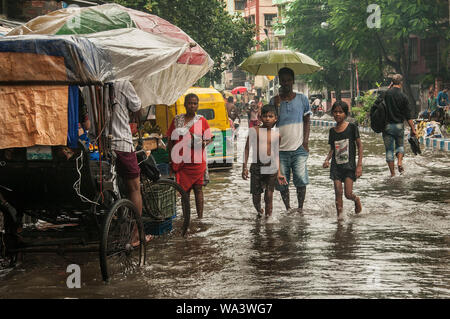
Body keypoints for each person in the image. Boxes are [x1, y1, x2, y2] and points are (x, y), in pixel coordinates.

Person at [270, 67, 311, 213]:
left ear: (293, 81)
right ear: (279, 82)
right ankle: (288, 208)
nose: (286, 83)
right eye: (283, 80)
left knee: (301, 180)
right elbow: (270, 124)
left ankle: (300, 208)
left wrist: (305, 142)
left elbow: (307, 120)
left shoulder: (302, 99)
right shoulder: (274, 101)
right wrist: (277, 106)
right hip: (280, 150)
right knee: (282, 182)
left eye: (288, 80)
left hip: (299, 147)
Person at [167, 93, 212, 219]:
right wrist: (171, 158)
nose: (192, 105)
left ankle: (200, 218)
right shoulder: (177, 120)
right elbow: (170, 140)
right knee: (184, 192)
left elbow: (209, 138)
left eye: (195, 103)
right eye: (190, 103)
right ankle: (186, 219)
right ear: (185, 104)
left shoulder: (202, 120)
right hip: (181, 162)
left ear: (197, 105)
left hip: (197, 162)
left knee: (198, 190)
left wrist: (203, 142)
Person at [242, 105, 287, 219]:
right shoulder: (254, 131)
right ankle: (259, 210)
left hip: (271, 167)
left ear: (275, 118)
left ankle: (268, 218)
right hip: (256, 167)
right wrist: (244, 167)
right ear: (260, 117)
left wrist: (279, 173)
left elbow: (276, 154)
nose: (267, 119)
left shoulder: (277, 135)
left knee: (269, 195)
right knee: (256, 196)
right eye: (265, 116)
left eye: (270, 116)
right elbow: (247, 149)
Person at [323, 101, 363, 219]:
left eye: (340, 112)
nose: (337, 114)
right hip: (336, 167)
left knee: (348, 194)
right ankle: (340, 218)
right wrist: (327, 160)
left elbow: (360, 146)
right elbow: (332, 149)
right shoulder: (332, 131)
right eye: (335, 112)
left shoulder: (351, 128)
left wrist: (359, 165)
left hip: (349, 166)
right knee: (338, 192)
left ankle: (356, 199)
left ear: (345, 114)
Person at [382, 74, 417, 176]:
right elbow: (408, 115)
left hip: (387, 126)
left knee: (389, 150)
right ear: (401, 83)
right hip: (399, 126)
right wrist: (413, 129)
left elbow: (379, 103)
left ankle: (392, 174)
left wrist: (388, 89)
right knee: (400, 146)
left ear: (392, 83)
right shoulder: (403, 96)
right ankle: (400, 162)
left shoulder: (386, 94)